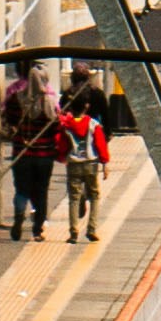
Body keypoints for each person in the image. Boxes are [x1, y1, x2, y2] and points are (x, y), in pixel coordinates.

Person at [4, 63, 60, 244]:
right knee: (41, 191)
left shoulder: (16, 98)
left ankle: (19, 217)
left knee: (21, 190)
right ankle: (38, 228)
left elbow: (8, 119)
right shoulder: (51, 103)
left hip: (22, 153)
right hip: (44, 156)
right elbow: (57, 127)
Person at [59, 87, 107, 241]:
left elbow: (62, 145)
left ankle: (73, 231)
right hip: (91, 164)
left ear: (71, 107)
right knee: (94, 196)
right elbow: (100, 144)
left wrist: (62, 157)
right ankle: (91, 228)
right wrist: (105, 163)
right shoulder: (93, 124)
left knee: (73, 197)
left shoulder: (67, 125)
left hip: (73, 164)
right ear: (87, 106)